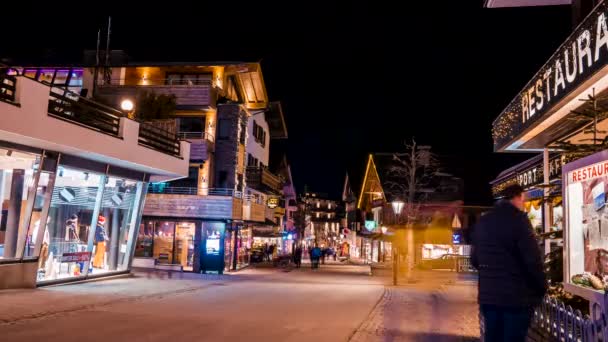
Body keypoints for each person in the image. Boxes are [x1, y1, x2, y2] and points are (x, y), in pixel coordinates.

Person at [472, 184, 547, 342]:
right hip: (516, 298)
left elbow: (475, 259)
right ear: (518, 197)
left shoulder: (483, 221)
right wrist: (541, 287)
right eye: (524, 200)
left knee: (492, 337)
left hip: (489, 297)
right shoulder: (519, 221)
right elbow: (532, 260)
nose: (524, 204)